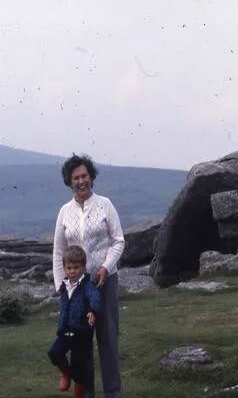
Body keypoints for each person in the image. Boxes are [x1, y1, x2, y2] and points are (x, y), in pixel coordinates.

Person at [53, 154, 125, 398]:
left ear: (91, 177)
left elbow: (118, 241)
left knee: (108, 341)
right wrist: (61, 285)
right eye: (75, 177)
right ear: (69, 181)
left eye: (84, 176)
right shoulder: (64, 211)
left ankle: (113, 393)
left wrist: (105, 266)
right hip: (78, 289)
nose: (81, 181)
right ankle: (86, 394)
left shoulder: (105, 204)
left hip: (105, 282)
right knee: (80, 344)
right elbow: (58, 250)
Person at [48, 245, 102, 398]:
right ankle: (66, 373)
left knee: (79, 372)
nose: (72, 271)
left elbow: (96, 297)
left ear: (83, 267)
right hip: (65, 330)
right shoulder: (64, 286)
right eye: (69, 267)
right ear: (64, 268)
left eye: (76, 267)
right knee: (54, 353)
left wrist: (93, 310)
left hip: (82, 334)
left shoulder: (87, 285)